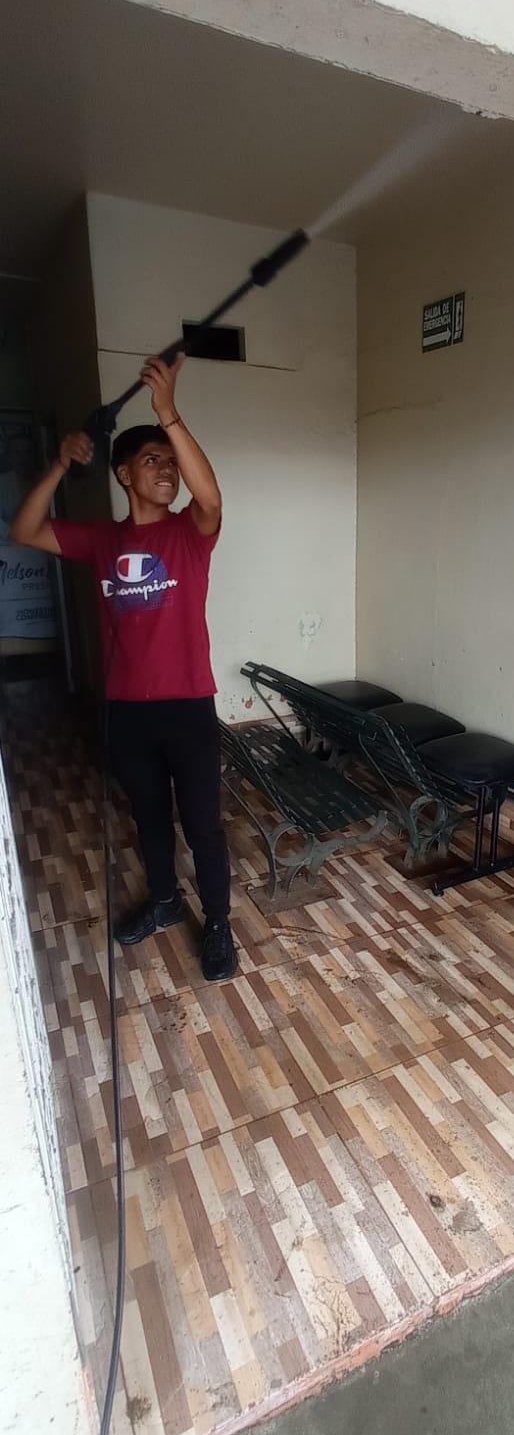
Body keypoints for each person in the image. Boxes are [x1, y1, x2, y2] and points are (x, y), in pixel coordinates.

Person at [10, 355, 237, 983]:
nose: (167, 470)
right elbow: (23, 529)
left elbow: (211, 496)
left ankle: (218, 924)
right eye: (152, 460)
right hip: (126, 712)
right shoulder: (102, 540)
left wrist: (169, 414)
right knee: (148, 816)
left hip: (187, 707)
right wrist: (60, 463)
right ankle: (164, 901)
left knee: (202, 824)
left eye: (171, 462)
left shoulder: (190, 534)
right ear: (123, 474)